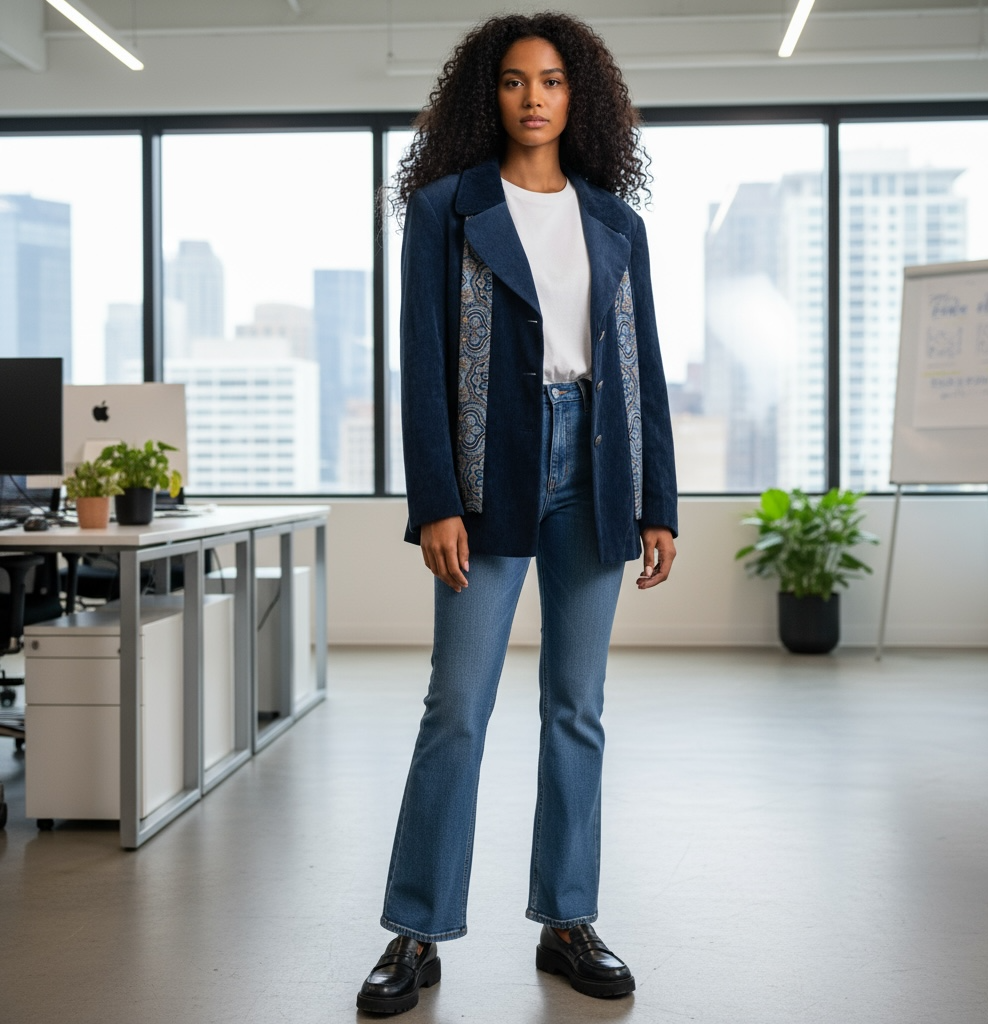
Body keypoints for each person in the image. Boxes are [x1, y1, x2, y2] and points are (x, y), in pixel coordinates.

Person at [356, 11, 678, 1015]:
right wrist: (436, 502)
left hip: (596, 463)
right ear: (484, 97)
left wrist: (657, 500)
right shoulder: (448, 208)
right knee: (457, 704)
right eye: (511, 81)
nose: (531, 96)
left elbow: (644, 369)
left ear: (577, 97)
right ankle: (415, 931)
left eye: (549, 80)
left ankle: (568, 918)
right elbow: (420, 363)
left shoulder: (615, 223)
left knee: (576, 707)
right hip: (491, 467)